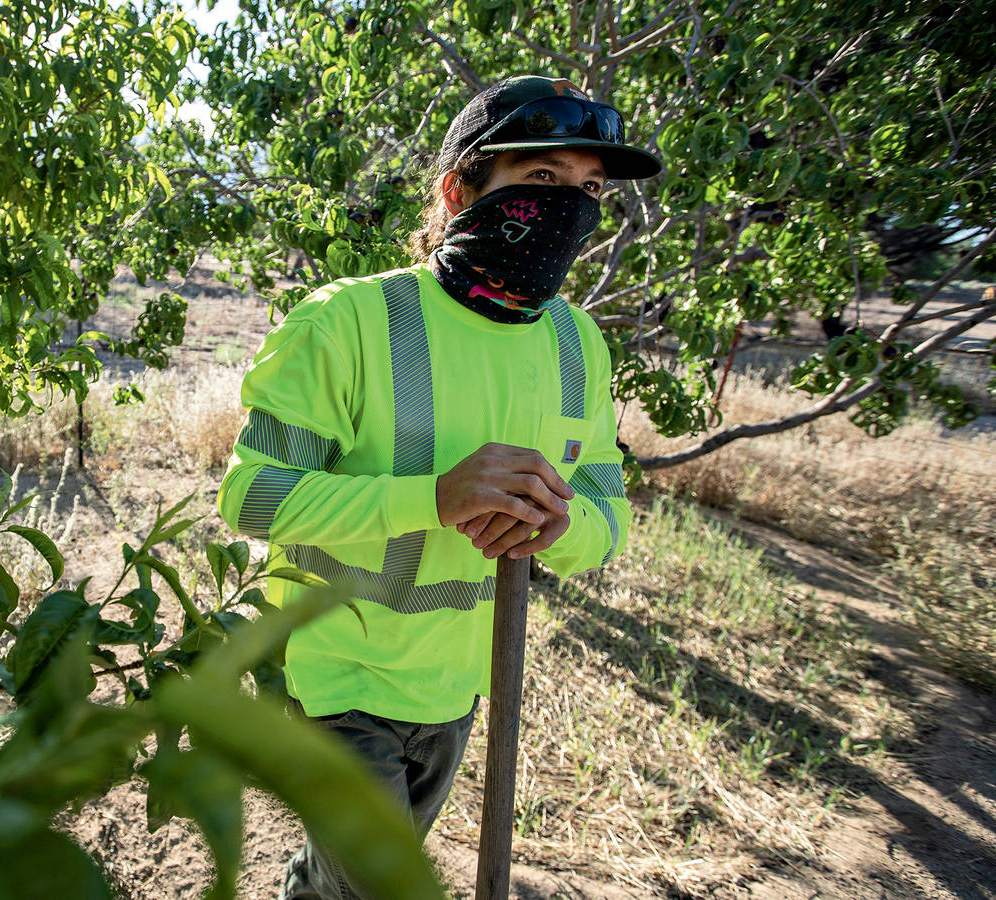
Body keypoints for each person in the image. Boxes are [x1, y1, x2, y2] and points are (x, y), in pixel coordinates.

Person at [214, 74, 662, 899]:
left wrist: (560, 525)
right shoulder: (346, 321)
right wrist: (433, 495)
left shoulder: (578, 345)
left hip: (457, 687)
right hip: (331, 681)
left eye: (589, 188)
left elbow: (608, 514)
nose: (573, 207)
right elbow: (252, 497)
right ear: (460, 189)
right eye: (541, 180)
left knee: (336, 887)